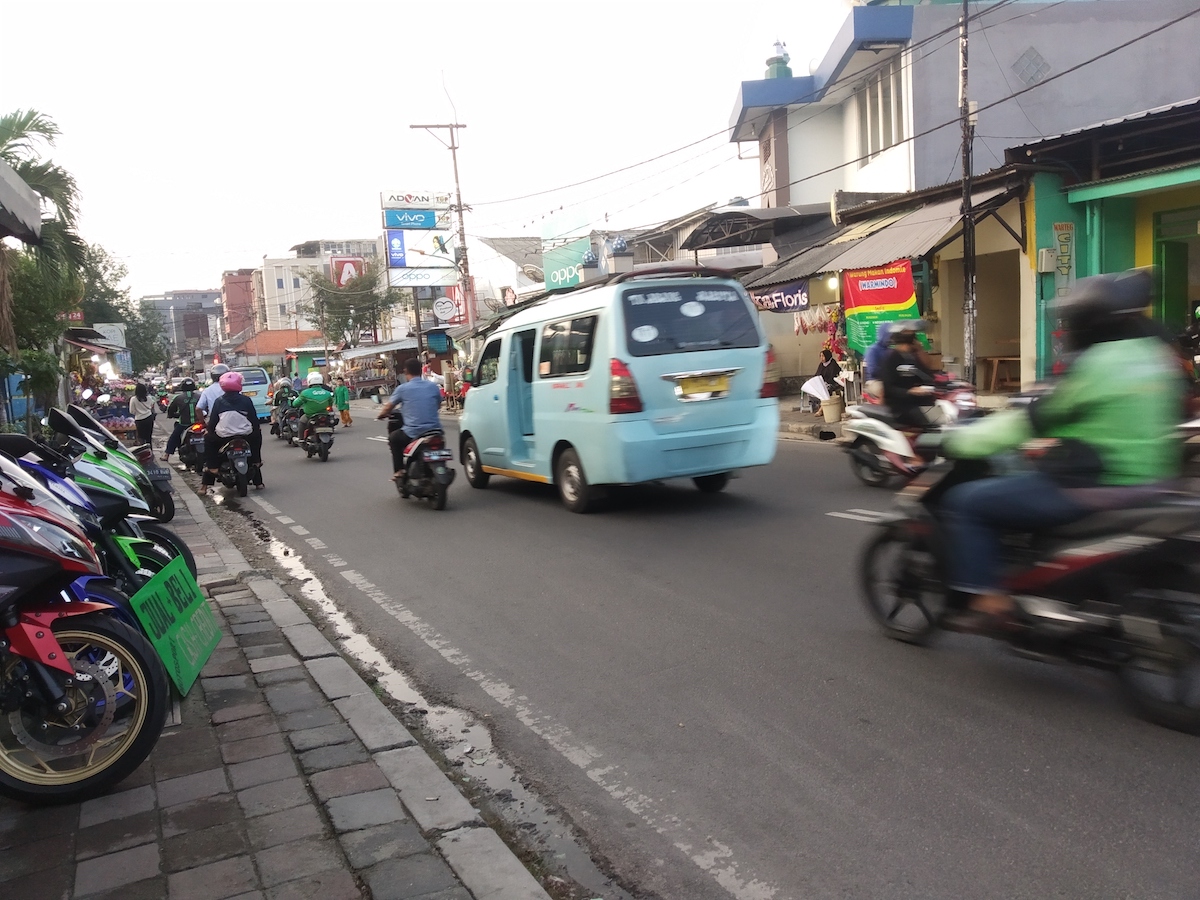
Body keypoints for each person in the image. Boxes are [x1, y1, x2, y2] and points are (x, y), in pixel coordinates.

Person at [939, 270, 1183, 631]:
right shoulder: (1157, 358)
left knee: (968, 502)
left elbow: (1033, 421)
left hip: (1092, 485)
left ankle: (988, 601)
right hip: (1154, 484)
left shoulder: (1098, 364)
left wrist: (960, 440)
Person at [377, 357, 443, 479]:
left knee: (394, 438)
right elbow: (438, 404)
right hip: (436, 431)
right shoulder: (433, 386)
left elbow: (388, 407)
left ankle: (399, 470)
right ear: (421, 371)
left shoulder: (402, 389)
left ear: (406, 372)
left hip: (414, 432)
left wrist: (381, 415)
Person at [199, 370, 263, 494]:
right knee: (257, 437)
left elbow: (212, 422)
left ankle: (211, 469)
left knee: (208, 440)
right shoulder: (246, 400)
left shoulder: (219, 401)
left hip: (224, 437)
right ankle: (257, 465)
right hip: (245, 435)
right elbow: (254, 420)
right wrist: (255, 430)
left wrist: (209, 432)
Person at [879, 322, 937, 429]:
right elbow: (889, 388)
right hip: (901, 406)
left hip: (920, 402)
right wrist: (910, 391)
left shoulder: (913, 357)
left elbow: (928, 373)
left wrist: (920, 350)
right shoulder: (891, 358)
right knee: (929, 422)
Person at [161, 378, 200, 461]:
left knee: (174, 437)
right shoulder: (200, 396)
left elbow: (171, 410)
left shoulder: (178, 397)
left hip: (184, 424)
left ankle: (166, 454)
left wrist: (171, 415)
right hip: (199, 423)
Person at [291, 372, 334, 442]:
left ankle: (300, 438)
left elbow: (295, 404)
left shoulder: (305, 393)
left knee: (301, 421)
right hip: (325, 415)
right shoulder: (327, 393)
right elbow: (330, 403)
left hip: (310, 416)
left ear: (309, 381)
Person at [863, 322, 893, 400]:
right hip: (874, 381)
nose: (891, 338)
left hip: (888, 380)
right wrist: (889, 372)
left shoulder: (890, 350)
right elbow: (873, 371)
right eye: (889, 335)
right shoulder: (873, 350)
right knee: (886, 390)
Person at [810, 349, 842, 413]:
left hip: (832, 383)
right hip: (823, 383)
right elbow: (817, 374)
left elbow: (832, 377)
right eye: (820, 356)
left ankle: (821, 409)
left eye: (823, 356)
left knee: (825, 390)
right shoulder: (822, 365)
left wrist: (825, 383)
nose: (821, 358)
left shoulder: (833, 364)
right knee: (812, 390)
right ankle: (818, 406)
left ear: (827, 356)